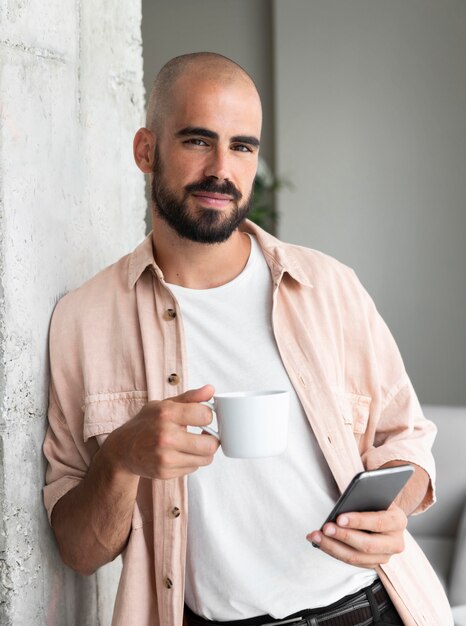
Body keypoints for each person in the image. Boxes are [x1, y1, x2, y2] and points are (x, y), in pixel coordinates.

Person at [43, 52, 453, 626]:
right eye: (195, 141)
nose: (221, 169)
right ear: (146, 151)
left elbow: (405, 438)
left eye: (242, 146)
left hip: (373, 609)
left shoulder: (329, 287)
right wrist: (118, 459)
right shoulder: (83, 320)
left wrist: (393, 514)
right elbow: (78, 551)